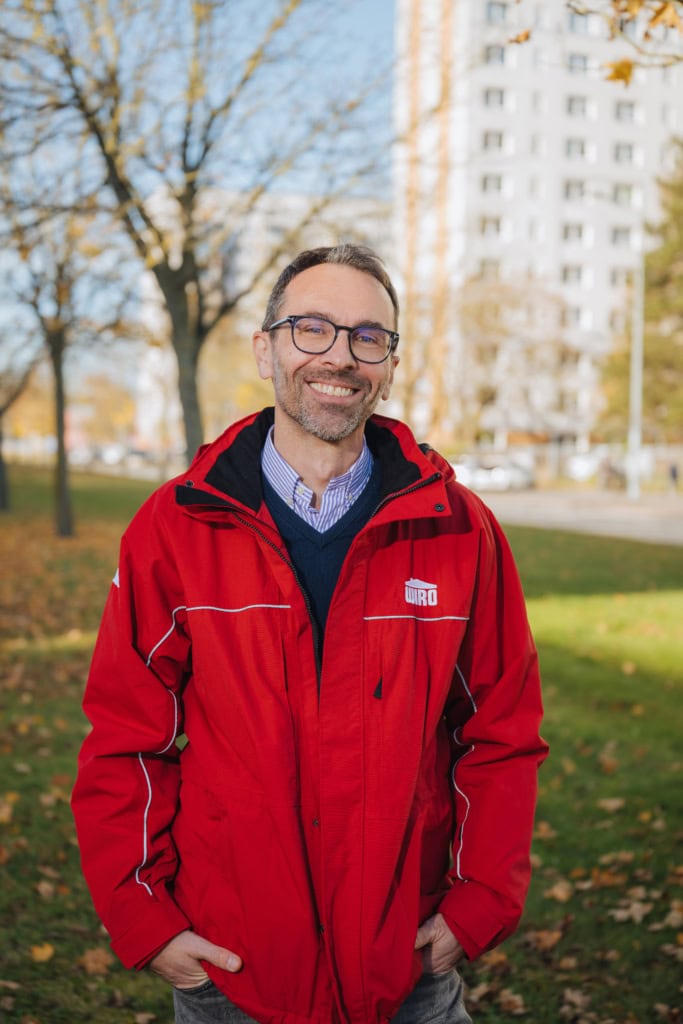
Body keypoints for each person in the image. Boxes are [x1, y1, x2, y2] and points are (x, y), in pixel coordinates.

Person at [72, 244, 548, 1024]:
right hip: (231, 967)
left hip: (405, 965)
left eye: (368, 337)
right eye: (312, 328)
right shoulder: (176, 527)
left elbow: (501, 736)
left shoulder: (459, 531)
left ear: (389, 367)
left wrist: (478, 904)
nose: (340, 356)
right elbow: (127, 738)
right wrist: (144, 918)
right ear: (265, 351)